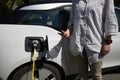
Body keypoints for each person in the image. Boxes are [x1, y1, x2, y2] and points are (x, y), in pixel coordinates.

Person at [61, 0, 118, 80]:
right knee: (82, 76)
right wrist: (68, 31)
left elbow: (110, 19)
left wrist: (108, 42)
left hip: (95, 42)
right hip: (78, 43)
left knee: (96, 75)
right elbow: (72, 20)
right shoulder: (76, 1)